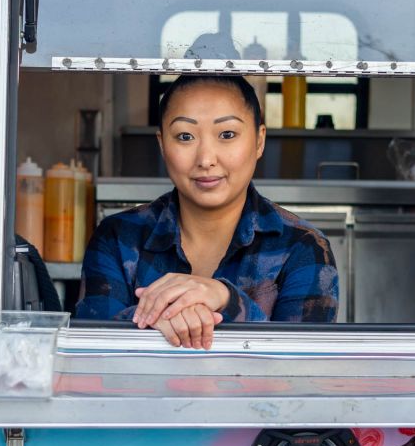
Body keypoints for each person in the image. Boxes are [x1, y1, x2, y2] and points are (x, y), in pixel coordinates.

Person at [75, 74, 338, 348]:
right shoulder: (118, 237)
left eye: (227, 134)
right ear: (163, 144)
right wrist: (172, 317)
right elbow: (93, 345)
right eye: (185, 136)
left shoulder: (304, 247)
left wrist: (226, 299)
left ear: (259, 141)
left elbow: (301, 364)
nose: (206, 159)